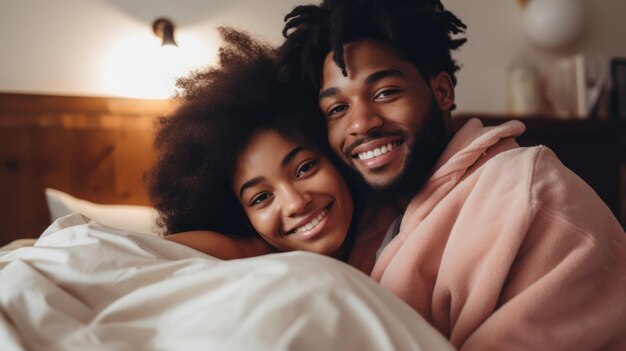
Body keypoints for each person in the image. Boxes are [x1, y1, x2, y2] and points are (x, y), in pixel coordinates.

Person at [278, 0, 626, 350]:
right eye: (338, 108)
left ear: (441, 91)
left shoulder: (529, 193)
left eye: (385, 92)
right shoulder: (368, 217)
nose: (361, 124)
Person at [145, 28, 357, 262]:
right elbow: (139, 255)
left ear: (334, 157)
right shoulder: (259, 252)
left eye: (305, 168)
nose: (295, 203)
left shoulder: (396, 221)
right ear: (245, 220)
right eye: (260, 198)